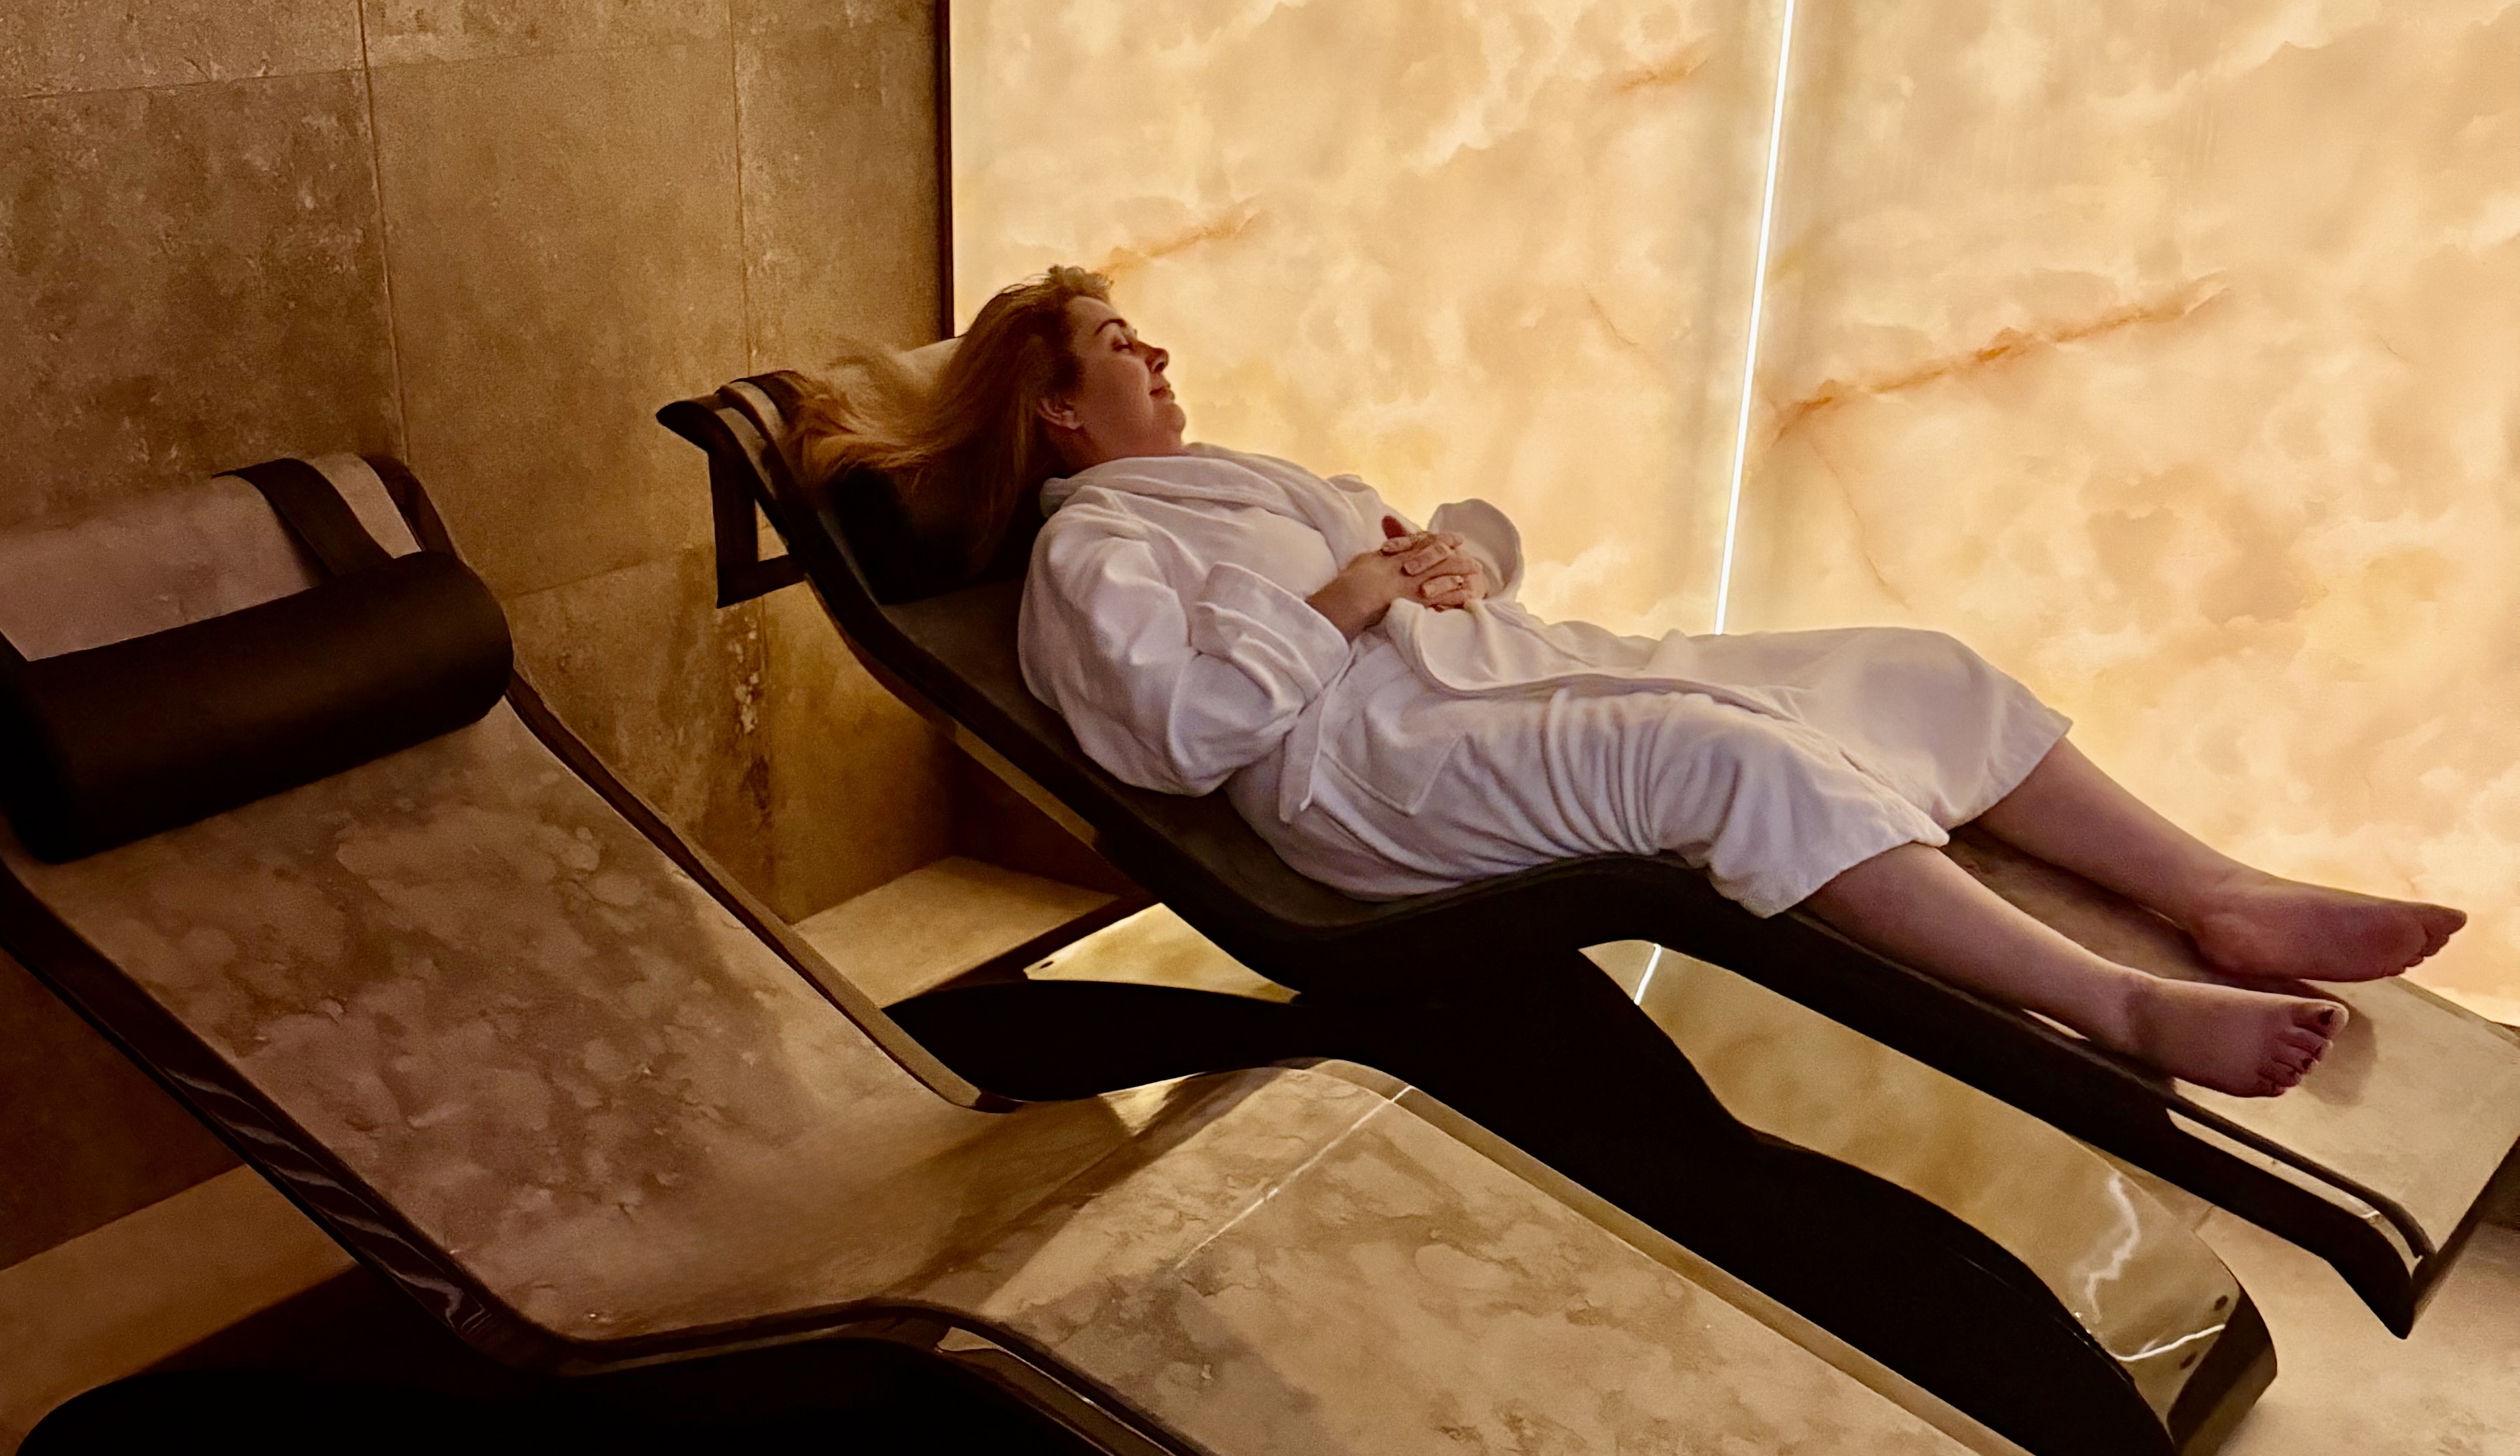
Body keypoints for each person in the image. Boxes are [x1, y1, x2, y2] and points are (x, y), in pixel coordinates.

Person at [790, 268, 2464, 1099]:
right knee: (1726, 759)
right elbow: (1180, 734)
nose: (1158, 353)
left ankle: (2217, 893)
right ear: (1059, 412)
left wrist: (1454, 558)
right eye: (1119, 347)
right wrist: (1356, 597)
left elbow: (1406, 548)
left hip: (1488, 680)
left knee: (1914, 671)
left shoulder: (1231, 477)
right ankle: (2116, 1005)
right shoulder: (1094, 551)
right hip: (1371, 777)